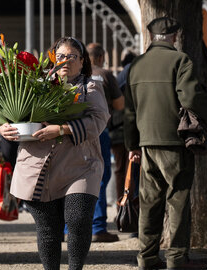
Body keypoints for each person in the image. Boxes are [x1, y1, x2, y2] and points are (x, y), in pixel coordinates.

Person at [0, 37, 109, 270]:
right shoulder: (33, 86)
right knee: (48, 227)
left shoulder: (91, 87)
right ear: (52, 59)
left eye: (71, 57)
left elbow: (99, 121)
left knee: (78, 218)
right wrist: (3, 126)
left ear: (82, 62)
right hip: (38, 165)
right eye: (60, 56)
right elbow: (11, 114)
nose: (65, 61)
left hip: (80, 165)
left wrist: (62, 129)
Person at [124, 17, 207, 270]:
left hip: (145, 142)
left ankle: (147, 257)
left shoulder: (137, 65)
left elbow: (129, 112)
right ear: (174, 35)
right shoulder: (181, 60)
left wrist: (132, 145)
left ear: (152, 36)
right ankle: (176, 258)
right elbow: (191, 98)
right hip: (174, 141)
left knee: (149, 202)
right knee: (178, 200)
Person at [85, 42, 124, 242]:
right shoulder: (106, 75)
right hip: (100, 130)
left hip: (75, 130)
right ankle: (98, 227)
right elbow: (119, 104)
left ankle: (68, 228)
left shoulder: (77, 74)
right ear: (101, 57)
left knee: (73, 176)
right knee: (100, 176)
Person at [113, 49, 138, 211]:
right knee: (133, 172)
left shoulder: (119, 76)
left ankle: (122, 208)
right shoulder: (132, 72)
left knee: (121, 171)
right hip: (127, 131)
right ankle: (131, 210)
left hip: (116, 131)